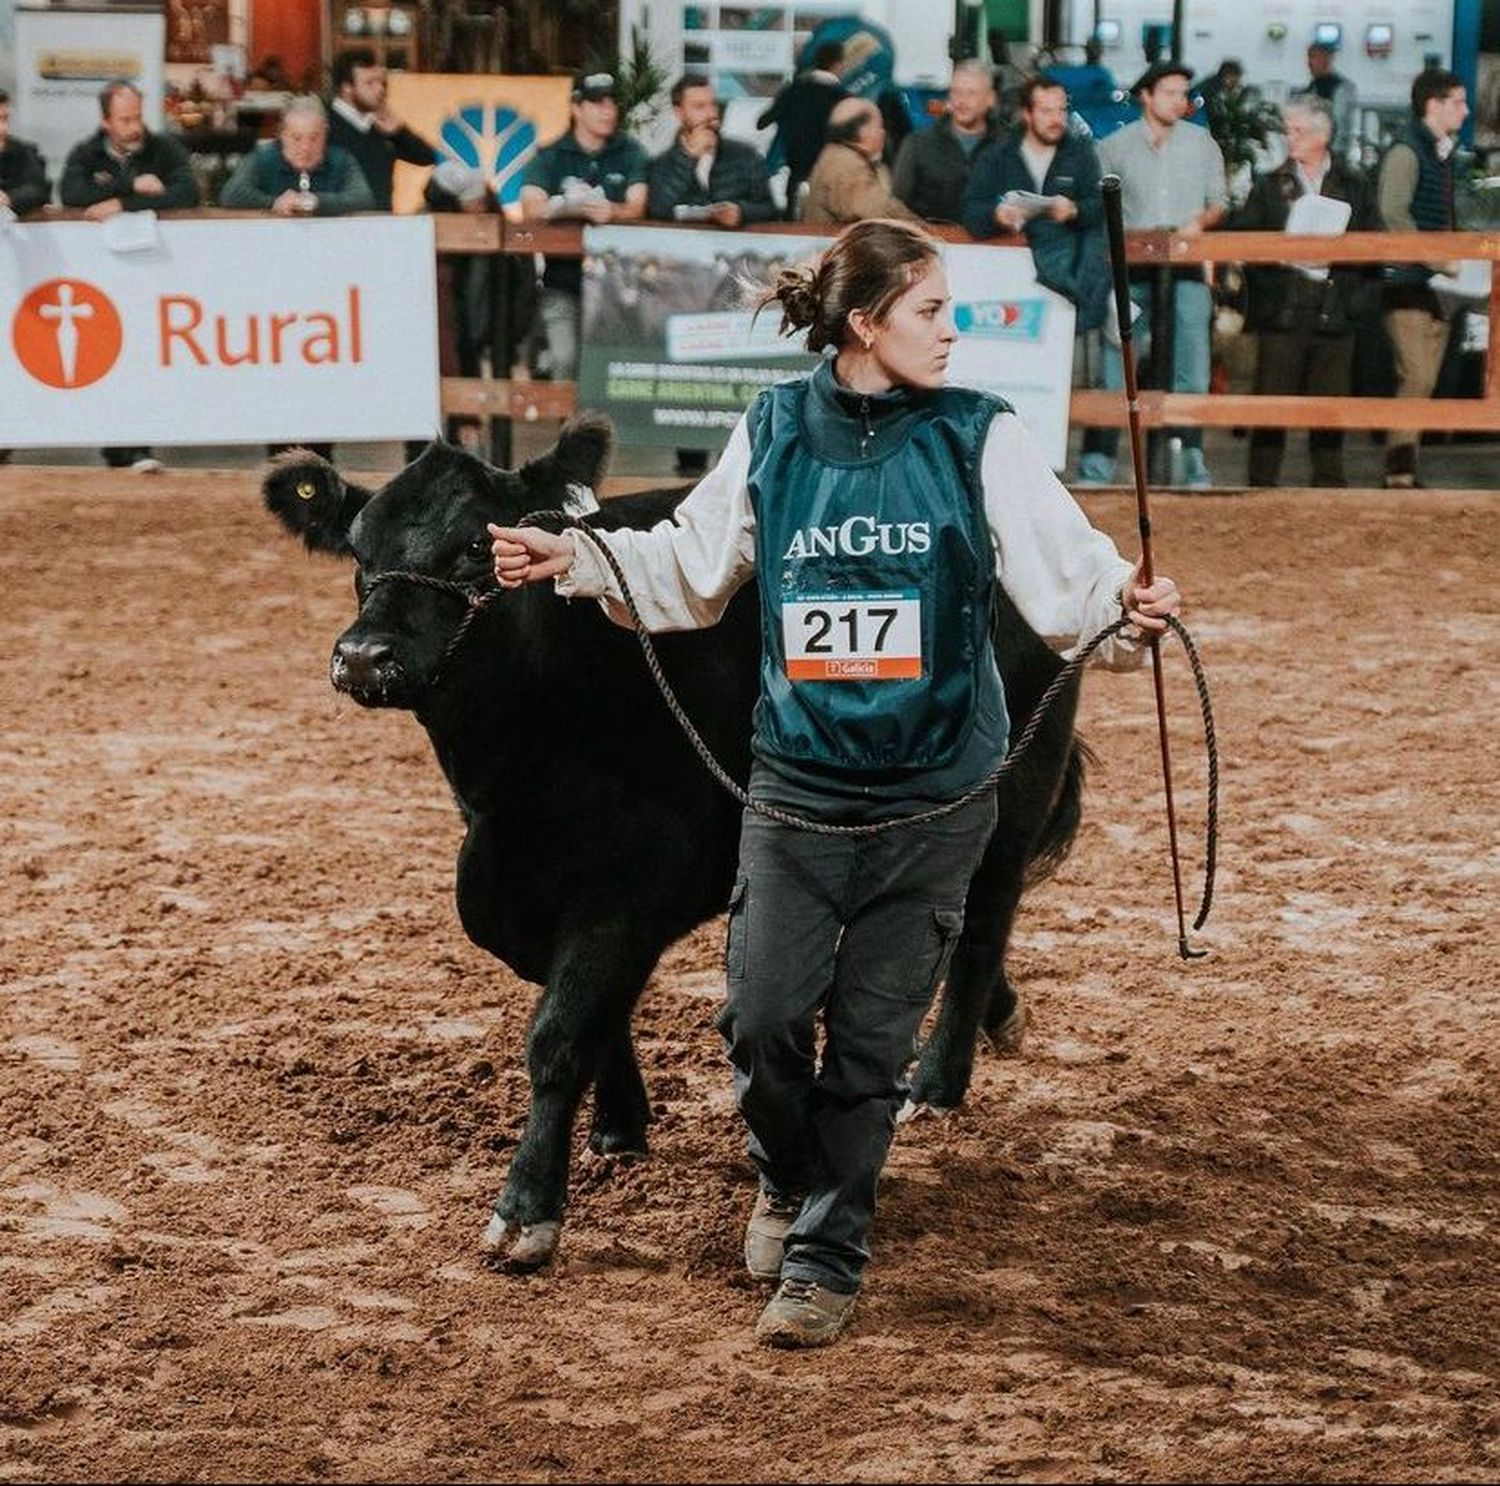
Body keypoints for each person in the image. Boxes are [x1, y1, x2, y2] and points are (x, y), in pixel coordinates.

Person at [487, 218, 1181, 1350]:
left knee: (867, 1048)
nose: (954, 334)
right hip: (797, 792)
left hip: (938, 795)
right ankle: (785, 1170)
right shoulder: (772, 430)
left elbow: (1074, 577)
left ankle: (825, 1252)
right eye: (931, 313)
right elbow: (691, 567)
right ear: (865, 325)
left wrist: (1128, 608)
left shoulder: (981, 437)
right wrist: (580, 557)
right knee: (760, 1019)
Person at [1077, 59, 1226, 488]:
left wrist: (1200, 221)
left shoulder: (1202, 143)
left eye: (1183, 92)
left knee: (1192, 364)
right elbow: (1100, 209)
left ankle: (1191, 457)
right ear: (1146, 95)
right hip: (1131, 271)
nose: (1180, 100)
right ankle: (1098, 461)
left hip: (1187, 268)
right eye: (1171, 92)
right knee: (1116, 363)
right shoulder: (1115, 147)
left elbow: (1218, 198)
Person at [221, 97, 375, 461]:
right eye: (296, 138)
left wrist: (318, 204)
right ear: (282, 137)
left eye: (313, 139)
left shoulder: (341, 161)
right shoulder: (263, 160)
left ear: (325, 137)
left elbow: (362, 196)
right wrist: (272, 202)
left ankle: (322, 456)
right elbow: (231, 194)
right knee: (279, 376)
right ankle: (280, 460)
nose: (305, 147)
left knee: (324, 377)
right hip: (274, 291)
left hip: (328, 293)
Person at [1231, 98, 1374, 487]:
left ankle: (1329, 485)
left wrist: (1357, 299)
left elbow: (1375, 243)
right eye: (1288, 130)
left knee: (1329, 408)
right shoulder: (1270, 185)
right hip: (1284, 308)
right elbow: (1242, 237)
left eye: (1298, 130)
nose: (1289, 137)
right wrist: (1275, 258)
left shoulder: (1355, 185)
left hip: (1336, 306)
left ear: (1323, 135)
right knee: (1271, 405)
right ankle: (1260, 486)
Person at [60, 80, 200, 473]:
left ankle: (139, 445)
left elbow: (186, 193)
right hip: (103, 277)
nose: (134, 126)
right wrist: (133, 185)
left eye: (137, 116)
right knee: (108, 357)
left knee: (142, 357)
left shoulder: (164, 149)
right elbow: (71, 191)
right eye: (124, 119)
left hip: (152, 273)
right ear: (106, 121)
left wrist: (120, 200)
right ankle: (117, 447)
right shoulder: (87, 152)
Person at [649, 72, 777, 477]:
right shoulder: (662, 162)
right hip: (684, 287)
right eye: (699, 106)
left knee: (730, 371)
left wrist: (740, 214)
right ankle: (687, 470)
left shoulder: (745, 156)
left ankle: (732, 467)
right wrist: (689, 160)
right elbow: (658, 207)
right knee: (687, 368)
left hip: (733, 281)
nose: (709, 115)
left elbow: (770, 208)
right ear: (678, 112)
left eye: (712, 106)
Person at [519, 71, 649, 382]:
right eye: (597, 103)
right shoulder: (551, 155)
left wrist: (611, 212)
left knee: (614, 369)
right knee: (565, 360)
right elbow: (530, 206)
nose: (608, 110)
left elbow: (638, 205)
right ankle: (569, 430)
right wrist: (564, 206)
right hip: (562, 281)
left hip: (616, 287)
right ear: (576, 107)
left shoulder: (631, 152)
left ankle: (603, 431)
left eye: (612, 102)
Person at [1376, 68, 1469, 489]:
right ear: (1434, 104)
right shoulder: (1408, 151)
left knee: (1424, 378)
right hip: (1410, 281)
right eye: (1458, 102)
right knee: (1416, 375)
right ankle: (1399, 469)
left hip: (1432, 285)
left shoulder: (1438, 152)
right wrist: (1437, 258)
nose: (1465, 111)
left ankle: (1404, 467)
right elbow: (1393, 212)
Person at [962, 76, 1108, 331]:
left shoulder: (1081, 154)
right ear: (1027, 114)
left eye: (1062, 110)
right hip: (1008, 272)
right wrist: (998, 215)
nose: (1057, 119)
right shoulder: (997, 155)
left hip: (1066, 265)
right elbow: (971, 209)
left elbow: (1098, 208)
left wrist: (1074, 210)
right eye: (1047, 111)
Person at [890, 59, 1003, 224]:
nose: (961, 101)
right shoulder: (918, 144)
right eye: (956, 92)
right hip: (934, 243)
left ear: (991, 99)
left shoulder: (1008, 146)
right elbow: (898, 206)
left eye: (971, 93)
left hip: (997, 246)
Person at [327, 46, 436, 211]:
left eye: (382, 82)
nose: (380, 90)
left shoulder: (381, 126)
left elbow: (426, 157)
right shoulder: (324, 127)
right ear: (347, 87)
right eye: (370, 83)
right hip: (339, 225)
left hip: (382, 223)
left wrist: (399, 132)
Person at [757, 41, 846, 219]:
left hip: (796, 173)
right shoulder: (842, 98)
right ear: (838, 64)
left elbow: (762, 122)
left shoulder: (794, 90)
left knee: (791, 226)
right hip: (827, 177)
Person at [802, 97, 918, 227]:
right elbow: (880, 210)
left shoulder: (835, 156)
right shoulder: (847, 166)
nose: (883, 133)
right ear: (863, 131)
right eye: (879, 126)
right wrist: (920, 228)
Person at [1296, 43, 1359, 167]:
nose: (1309, 63)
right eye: (1309, 58)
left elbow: (1340, 124)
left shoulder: (1341, 88)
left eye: (1314, 57)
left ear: (1327, 59)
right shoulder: (1310, 89)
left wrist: (1334, 156)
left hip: (1331, 156)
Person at [0, 89, 52, 218]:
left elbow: (38, 189)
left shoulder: (23, 152)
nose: (3, 128)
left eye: (5, 119)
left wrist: (8, 198)